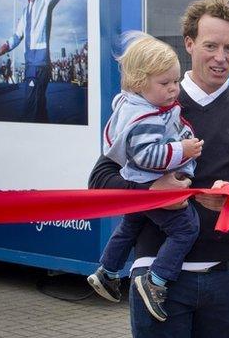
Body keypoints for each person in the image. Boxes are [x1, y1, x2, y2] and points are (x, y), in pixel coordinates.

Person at [88, 0, 229, 338]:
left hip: (226, 277)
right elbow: (99, 181)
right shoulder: (153, 99)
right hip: (155, 277)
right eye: (211, 46)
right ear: (189, 43)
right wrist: (150, 191)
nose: (221, 58)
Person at [86, 33, 204, 323]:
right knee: (187, 228)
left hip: (136, 187)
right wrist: (183, 150)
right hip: (151, 188)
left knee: (130, 224)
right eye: (165, 83)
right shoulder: (145, 118)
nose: (174, 89)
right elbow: (147, 156)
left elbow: (169, 128)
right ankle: (157, 281)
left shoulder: (140, 107)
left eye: (176, 81)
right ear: (140, 83)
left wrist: (182, 137)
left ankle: (108, 272)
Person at [0, 0, 65, 123]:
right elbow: (17, 35)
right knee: (39, 107)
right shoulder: (25, 12)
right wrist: (5, 46)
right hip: (31, 65)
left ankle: (27, 138)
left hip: (39, 64)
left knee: (30, 107)